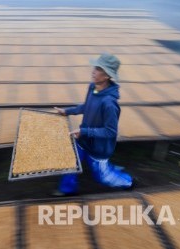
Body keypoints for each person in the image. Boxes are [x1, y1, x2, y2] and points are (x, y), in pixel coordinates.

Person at [53, 53, 133, 196]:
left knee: (102, 177)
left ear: (107, 75)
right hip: (84, 139)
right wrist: (67, 111)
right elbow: (86, 106)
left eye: (99, 69)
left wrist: (85, 131)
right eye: (95, 67)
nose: (93, 71)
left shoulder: (109, 103)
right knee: (71, 163)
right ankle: (67, 190)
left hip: (98, 148)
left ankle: (128, 181)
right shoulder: (93, 88)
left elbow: (110, 131)